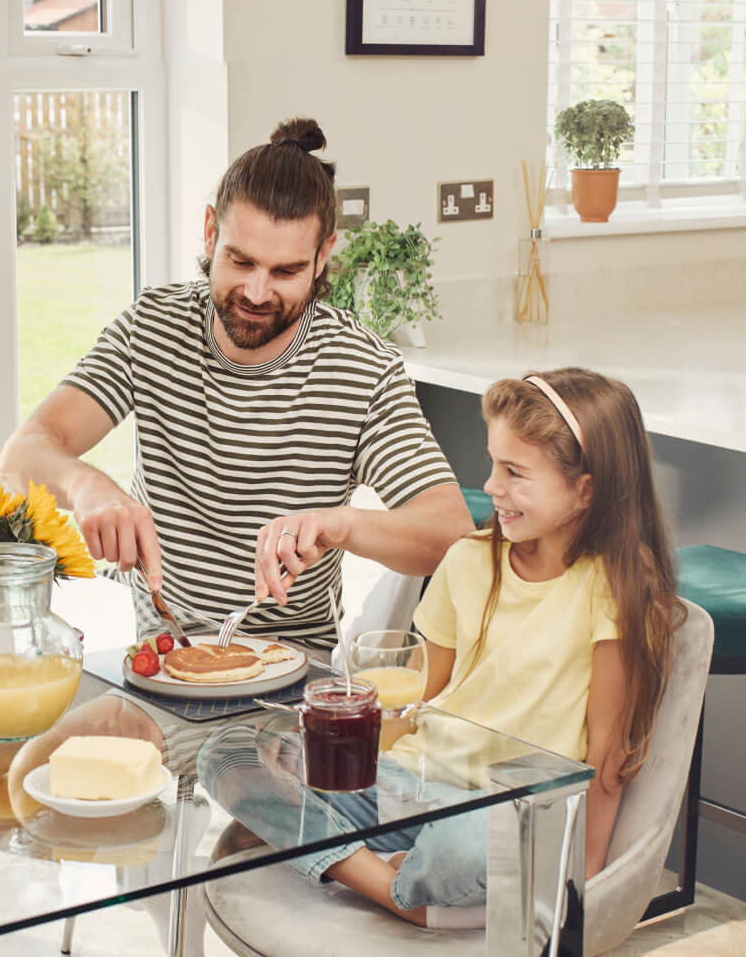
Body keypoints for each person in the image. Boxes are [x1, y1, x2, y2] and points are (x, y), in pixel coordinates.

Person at [200, 368, 687, 927]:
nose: (493, 486)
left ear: (585, 488)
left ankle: (364, 868)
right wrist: (330, 749)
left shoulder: (616, 589)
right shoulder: (469, 559)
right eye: (493, 463)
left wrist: (584, 878)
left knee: (463, 854)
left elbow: (607, 749)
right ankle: (396, 887)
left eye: (515, 472)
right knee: (229, 753)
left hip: (505, 808)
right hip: (409, 782)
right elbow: (417, 700)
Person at [0, 116, 472, 651]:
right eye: (239, 260)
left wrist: (337, 525)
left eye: (285, 271)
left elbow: (451, 532)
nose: (255, 290)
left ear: (324, 256)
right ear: (210, 231)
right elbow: (21, 457)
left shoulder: (363, 369)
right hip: (150, 654)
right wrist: (85, 486)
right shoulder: (154, 326)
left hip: (289, 673)